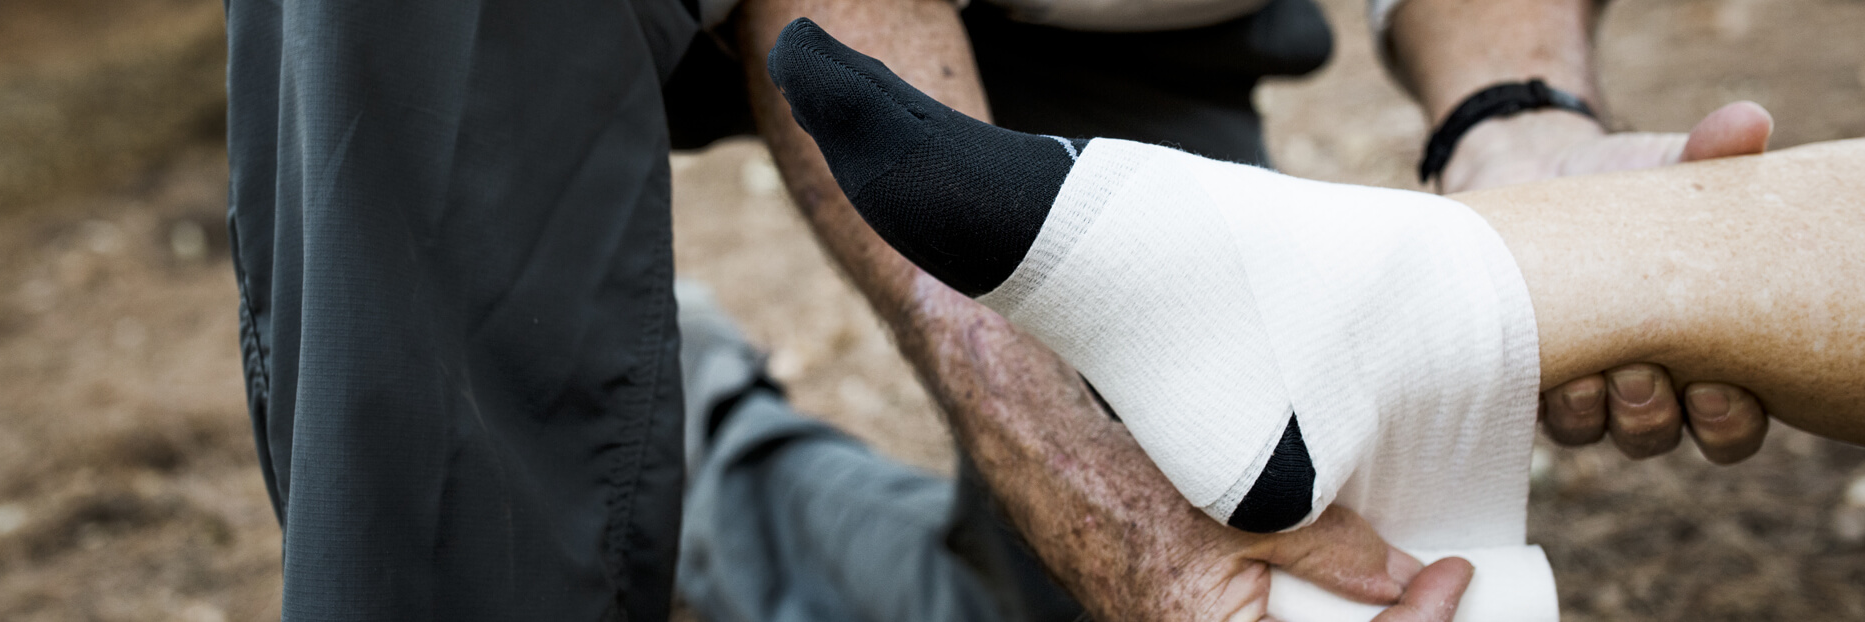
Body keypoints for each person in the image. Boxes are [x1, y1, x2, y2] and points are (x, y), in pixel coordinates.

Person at [222, 0, 1775, 621]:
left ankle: (709, 432)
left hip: (1134, 17)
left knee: (1180, 578)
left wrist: (1514, 123)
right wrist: (1003, 359)